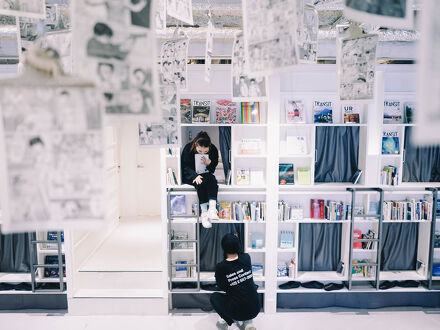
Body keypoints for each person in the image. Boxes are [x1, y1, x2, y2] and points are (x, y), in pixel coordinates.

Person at [210, 234, 259, 330]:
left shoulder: (221, 266)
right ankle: (248, 322)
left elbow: (222, 287)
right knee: (246, 290)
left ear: (223, 247)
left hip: (237, 311)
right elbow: (239, 255)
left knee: (214, 297)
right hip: (255, 308)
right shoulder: (246, 258)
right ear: (238, 245)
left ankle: (227, 321)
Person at [181, 131, 219, 228]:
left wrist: (209, 164)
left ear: (209, 147)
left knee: (211, 179)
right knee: (199, 181)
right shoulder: (188, 148)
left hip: (205, 175)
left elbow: (212, 169)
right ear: (195, 145)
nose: (202, 153)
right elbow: (184, 166)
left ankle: (211, 208)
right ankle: (205, 214)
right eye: (199, 151)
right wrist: (195, 176)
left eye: (205, 152)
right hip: (190, 175)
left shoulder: (213, 149)